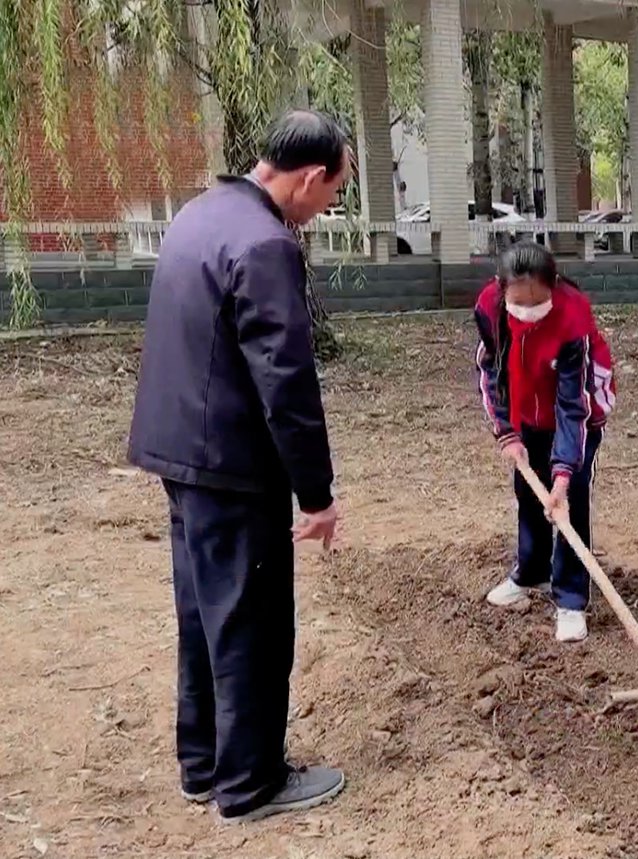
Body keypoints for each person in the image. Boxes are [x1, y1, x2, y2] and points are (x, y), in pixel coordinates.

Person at [127, 110, 348, 823]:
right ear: (310, 176)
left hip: (180, 450)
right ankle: (249, 782)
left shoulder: (199, 213)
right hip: (232, 460)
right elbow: (286, 380)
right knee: (249, 620)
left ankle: (202, 763)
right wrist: (316, 493)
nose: (325, 210)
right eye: (333, 194)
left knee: (202, 610)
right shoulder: (264, 244)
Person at [479, 242, 616, 645]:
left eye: (537, 302)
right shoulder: (490, 309)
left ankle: (571, 600)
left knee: (567, 502)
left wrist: (561, 476)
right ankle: (531, 572)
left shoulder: (572, 318)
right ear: (501, 291)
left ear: (554, 286)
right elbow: (492, 372)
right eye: (518, 303)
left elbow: (573, 405)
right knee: (527, 491)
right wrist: (506, 431)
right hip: (525, 410)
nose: (527, 311)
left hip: (578, 411)